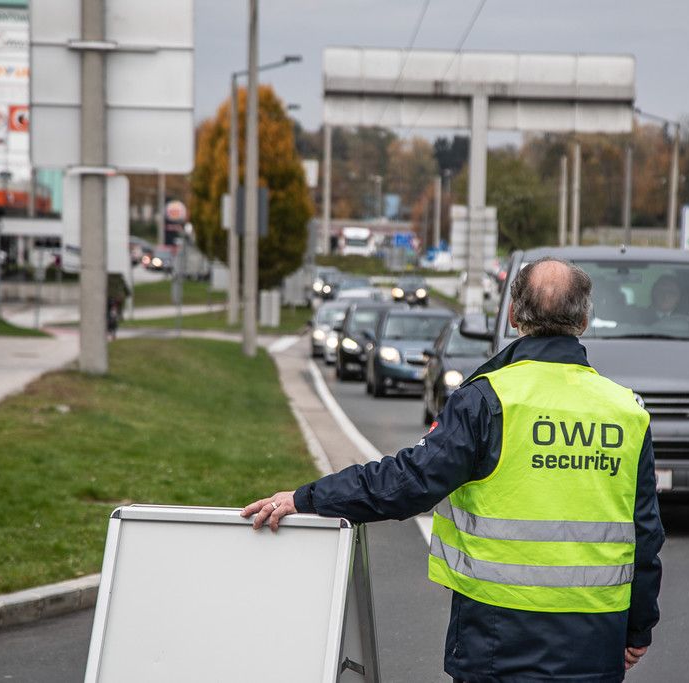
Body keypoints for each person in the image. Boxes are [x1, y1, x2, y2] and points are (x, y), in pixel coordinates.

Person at [242, 258, 664, 682]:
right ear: (584, 321)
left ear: (513, 315)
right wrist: (638, 627)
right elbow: (645, 532)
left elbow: (408, 482)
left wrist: (308, 498)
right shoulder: (625, 411)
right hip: (594, 641)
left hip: (497, 640)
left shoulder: (487, 400)